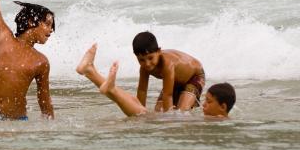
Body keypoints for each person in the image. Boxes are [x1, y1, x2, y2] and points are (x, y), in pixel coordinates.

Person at [81, 57, 236, 118]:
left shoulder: (217, 121)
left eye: (208, 102)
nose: (203, 104)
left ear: (223, 107)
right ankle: (98, 78)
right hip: (181, 78)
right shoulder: (214, 120)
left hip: (190, 76)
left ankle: (93, 74)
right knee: (143, 114)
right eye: (205, 100)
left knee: (145, 114)